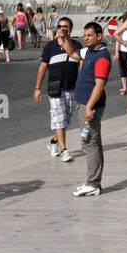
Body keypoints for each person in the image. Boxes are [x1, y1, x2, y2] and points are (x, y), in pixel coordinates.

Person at [72, 22, 112, 197]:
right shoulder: (89, 51)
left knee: (90, 142)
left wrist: (89, 106)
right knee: (90, 141)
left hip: (91, 105)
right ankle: (92, 181)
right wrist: (64, 37)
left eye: (89, 35)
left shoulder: (101, 57)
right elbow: (71, 52)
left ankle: (93, 183)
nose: (85, 38)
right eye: (84, 35)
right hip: (84, 103)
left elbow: (100, 85)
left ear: (99, 36)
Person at [34, 15, 80, 161]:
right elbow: (42, 67)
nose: (61, 29)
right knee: (59, 119)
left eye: (65, 26)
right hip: (55, 88)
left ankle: (53, 142)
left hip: (71, 87)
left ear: (70, 29)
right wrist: (37, 88)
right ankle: (64, 150)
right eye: (59, 26)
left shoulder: (77, 46)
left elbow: (81, 65)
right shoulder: (50, 47)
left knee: (65, 120)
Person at [115, 11, 127, 96]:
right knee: (123, 70)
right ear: (125, 19)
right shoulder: (122, 28)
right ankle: (125, 88)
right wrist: (116, 53)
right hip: (122, 51)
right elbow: (117, 41)